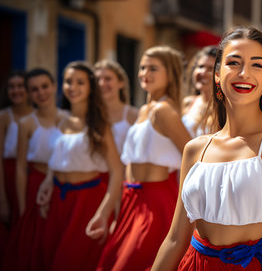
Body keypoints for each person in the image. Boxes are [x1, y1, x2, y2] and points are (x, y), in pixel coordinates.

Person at [152, 27, 262, 270]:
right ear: (217, 75)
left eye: (257, 65)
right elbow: (176, 238)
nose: (244, 73)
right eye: (234, 62)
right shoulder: (195, 149)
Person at [96, 46, 191, 270]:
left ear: (170, 74)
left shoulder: (163, 111)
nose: (144, 73)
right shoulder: (144, 110)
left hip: (154, 203)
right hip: (131, 199)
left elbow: (193, 154)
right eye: (142, 67)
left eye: (153, 68)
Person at [36, 61, 123, 271]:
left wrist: (103, 213)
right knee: (49, 260)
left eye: (80, 82)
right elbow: (57, 158)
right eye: (68, 82)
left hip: (87, 203)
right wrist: (48, 182)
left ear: (91, 88)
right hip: (58, 201)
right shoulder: (60, 120)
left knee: (71, 263)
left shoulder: (99, 124)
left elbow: (117, 171)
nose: (72, 87)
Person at [2, 68, 66, 271]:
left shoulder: (70, 118)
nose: (41, 93)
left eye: (45, 86)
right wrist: (22, 207)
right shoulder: (26, 123)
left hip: (64, 185)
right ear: (29, 94)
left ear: (55, 87)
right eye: (35, 89)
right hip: (35, 187)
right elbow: (21, 167)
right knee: (34, 245)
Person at [0, 70, 33, 229]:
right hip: (9, 177)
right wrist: (2, 200)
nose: (16, 90)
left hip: (33, 177)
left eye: (21, 86)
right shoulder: (4, 117)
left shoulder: (38, 115)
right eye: (11, 87)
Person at [94, 60, 138, 154]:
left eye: (108, 79)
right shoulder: (90, 115)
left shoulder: (133, 115)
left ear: (121, 83)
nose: (101, 83)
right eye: (97, 79)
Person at [182, 45, 218, 137]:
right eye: (200, 66)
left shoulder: (225, 108)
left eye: (210, 68)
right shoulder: (188, 103)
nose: (203, 72)